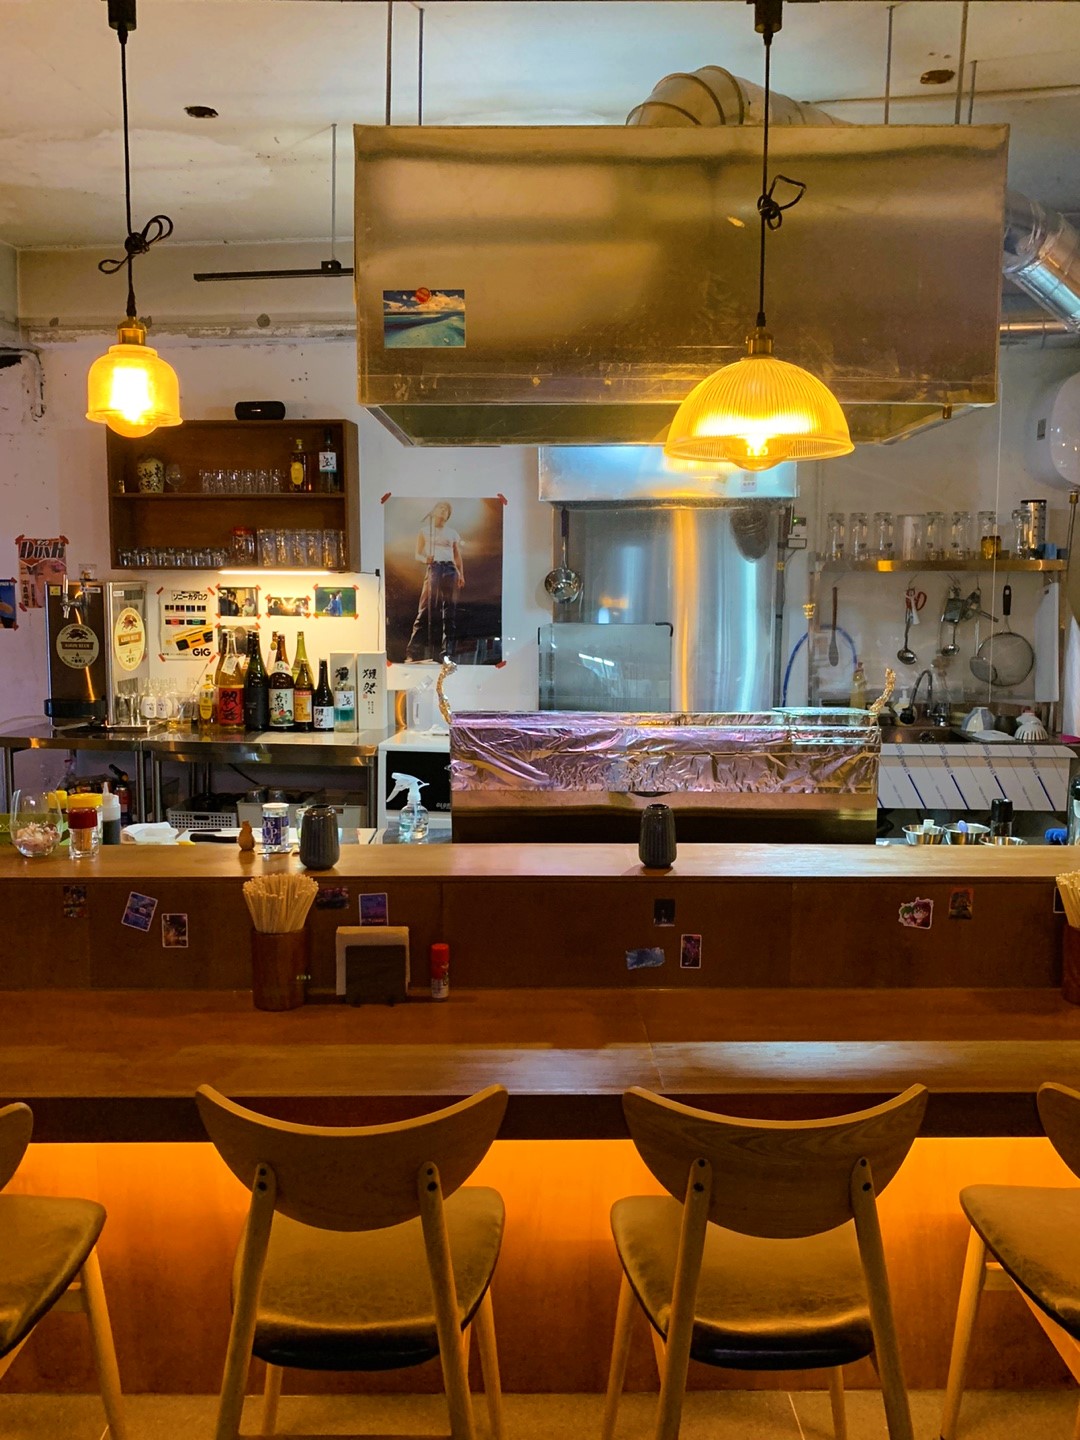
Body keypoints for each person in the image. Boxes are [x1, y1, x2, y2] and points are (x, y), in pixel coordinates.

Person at [405, 502, 465, 661]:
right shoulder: (425, 531)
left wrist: (461, 574)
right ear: (434, 511)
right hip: (434, 567)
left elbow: (457, 555)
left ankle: (447, 653)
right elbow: (417, 554)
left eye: (447, 509)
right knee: (425, 608)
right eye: (441, 508)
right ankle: (413, 652)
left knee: (449, 612)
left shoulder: (452, 532)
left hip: (450, 569)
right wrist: (425, 559)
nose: (444, 511)